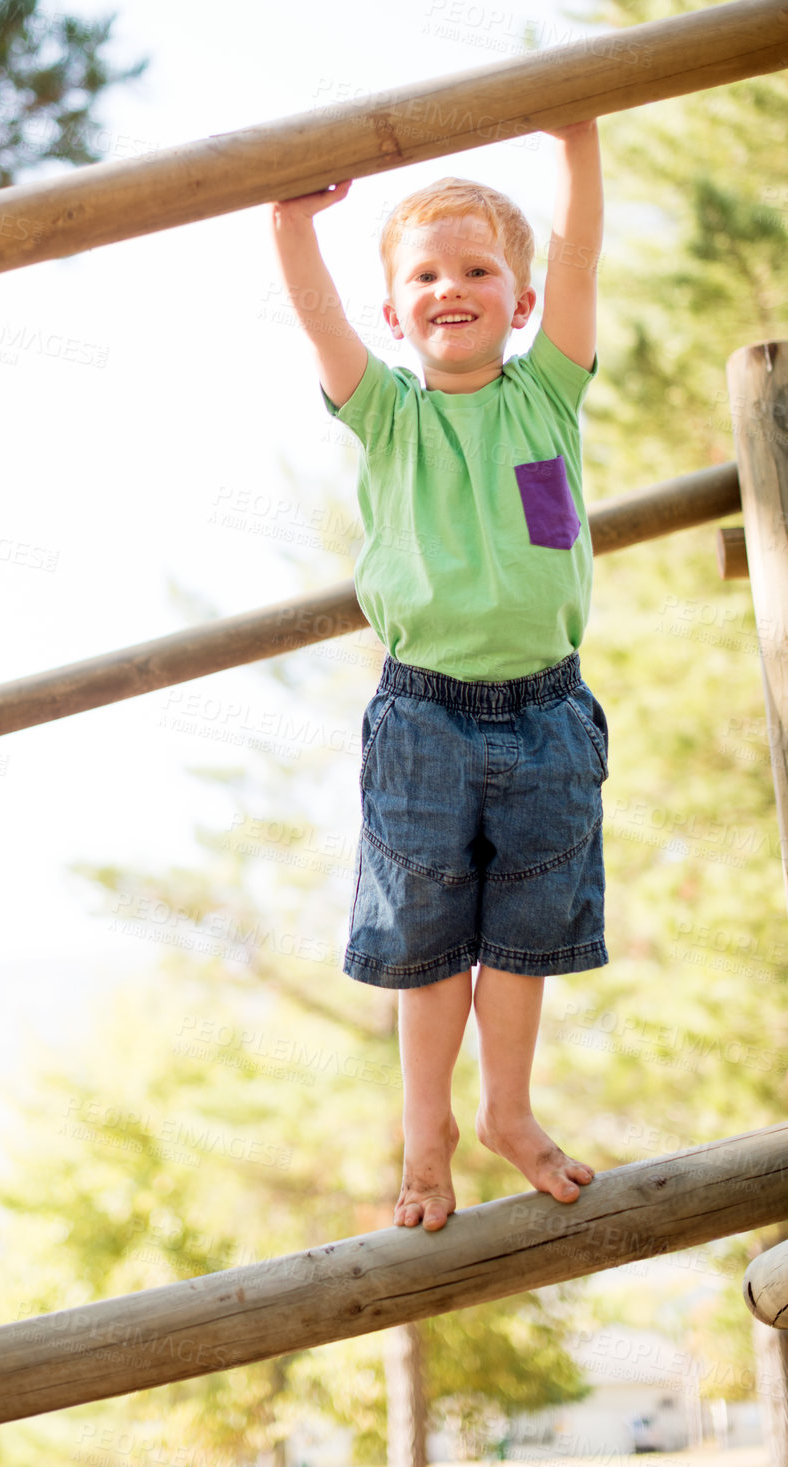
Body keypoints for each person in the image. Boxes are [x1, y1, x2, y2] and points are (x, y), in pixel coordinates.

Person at [270, 123, 606, 1233]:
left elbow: (580, 250)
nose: (448, 288)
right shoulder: (387, 414)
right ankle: (427, 1136)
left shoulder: (544, 394)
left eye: (475, 271)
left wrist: (576, 134)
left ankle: (507, 1109)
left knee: (523, 935)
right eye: (423, 275)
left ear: (518, 305)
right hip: (422, 715)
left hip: (549, 710)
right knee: (426, 942)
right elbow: (317, 320)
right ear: (393, 311)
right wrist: (289, 226)